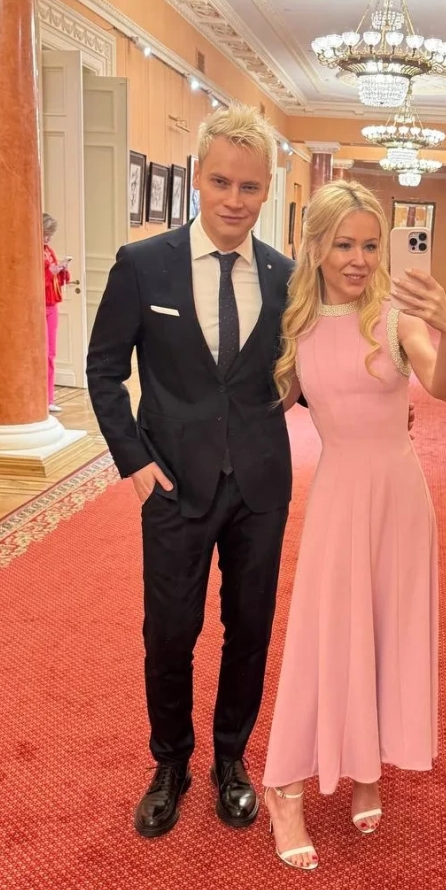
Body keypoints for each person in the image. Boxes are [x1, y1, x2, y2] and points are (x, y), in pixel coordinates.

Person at [86, 104, 296, 838]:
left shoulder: (285, 276)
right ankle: (170, 761)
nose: (235, 200)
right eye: (222, 182)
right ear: (197, 178)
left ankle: (231, 758)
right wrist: (135, 462)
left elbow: (300, 374)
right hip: (174, 484)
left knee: (250, 628)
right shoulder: (143, 264)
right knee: (170, 632)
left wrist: (375, 403)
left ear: (266, 189)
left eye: (250, 186)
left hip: (261, 487)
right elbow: (104, 370)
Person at [262, 180, 446, 870]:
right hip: (338, 494)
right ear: (317, 246)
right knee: (323, 635)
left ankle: (368, 766)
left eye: (371, 245)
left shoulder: (395, 316)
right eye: (344, 244)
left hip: (401, 499)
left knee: (385, 631)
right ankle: (285, 786)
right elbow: (268, 399)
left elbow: (441, 386)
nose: (358, 259)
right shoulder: (295, 323)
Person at [43, 214, 70, 414]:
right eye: (46, 234)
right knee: (41, 354)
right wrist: (49, 272)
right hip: (37, 304)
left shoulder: (48, 251)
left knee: (51, 354)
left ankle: (49, 398)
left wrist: (60, 269)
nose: (48, 238)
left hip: (51, 304)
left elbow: (58, 280)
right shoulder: (30, 251)